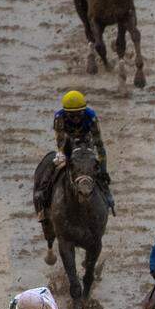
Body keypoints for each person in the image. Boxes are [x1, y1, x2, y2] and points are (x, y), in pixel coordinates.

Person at [36, 90, 115, 222]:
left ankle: (107, 197)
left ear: (84, 111)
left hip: (87, 143)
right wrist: (64, 154)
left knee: (97, 170)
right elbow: (60, 141)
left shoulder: (91, 117)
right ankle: (43, 195)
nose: (76, 118)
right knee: (55, 164)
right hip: (68, 144)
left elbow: (99, 144)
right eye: (72, 115)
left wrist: (103, 169)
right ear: (66, 113)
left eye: (79, 114)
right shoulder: (59, 118)